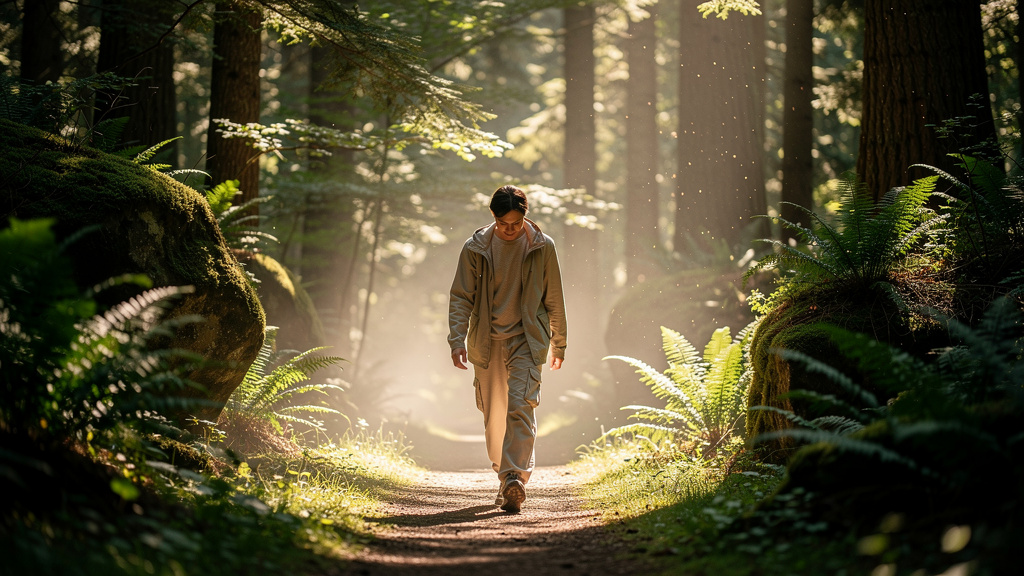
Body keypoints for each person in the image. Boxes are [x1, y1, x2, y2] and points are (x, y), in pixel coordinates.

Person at [448, 185, 567, 513]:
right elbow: (461, 297)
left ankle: (514, 476)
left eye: (516, 223)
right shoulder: (476, 248)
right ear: (494, 217)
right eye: (504, 224)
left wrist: (560, 342)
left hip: (527, 341)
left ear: (525, 217)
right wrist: (456, 339)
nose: (510, 230)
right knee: (494, 415)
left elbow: (553, 296)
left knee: (521, 404)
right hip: (487, 341)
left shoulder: (542, 247)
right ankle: (504, 475)